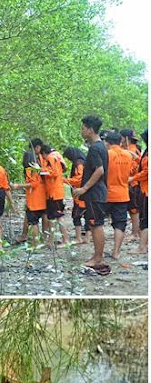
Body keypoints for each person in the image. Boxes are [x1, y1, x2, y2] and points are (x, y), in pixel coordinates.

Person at [72, 115, 109, 271]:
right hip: (98, 193)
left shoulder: (95, 148)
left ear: (90, 129)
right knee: (94, 224)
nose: (82, 131)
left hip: (95, 193)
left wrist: (83, 188)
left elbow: (99, 170)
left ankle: (98, 259)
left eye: (83, 128)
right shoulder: (101, 146)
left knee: (96, 224)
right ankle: (96, 256)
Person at [104, 131, 134, 260]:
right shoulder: (128, 155)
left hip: (107, 194)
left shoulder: (107, 154)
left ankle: (98, 253)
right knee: (120, 224)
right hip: (123, 194)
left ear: (107, 142)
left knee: (97, 222)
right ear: (120, 142)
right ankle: (116, 252)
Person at [41, 145, 69, 246]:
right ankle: (53, 239)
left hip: (54, 193)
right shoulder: (57, 156)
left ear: (44, 153)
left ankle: (62, 240)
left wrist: (41, 171)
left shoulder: (51, 158)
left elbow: (53, 172)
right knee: (54, 216)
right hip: (56, 191)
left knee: (56, 217)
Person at [62, 147, 89, 245]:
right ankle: (87, 238)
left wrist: (65, 180)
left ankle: (79, 238)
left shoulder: (78, 163)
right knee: (87, 214)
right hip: (85, 193)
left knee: (76, 215)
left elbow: (79, 178)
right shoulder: (84, 161)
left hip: (80, 194)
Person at [129, 128, 148, 255]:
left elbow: (147, 171)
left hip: (146, 190)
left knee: (145, 219)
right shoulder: (146, 152)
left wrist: (133, 177)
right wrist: (137, 158)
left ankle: (142, 247)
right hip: (143, 188)